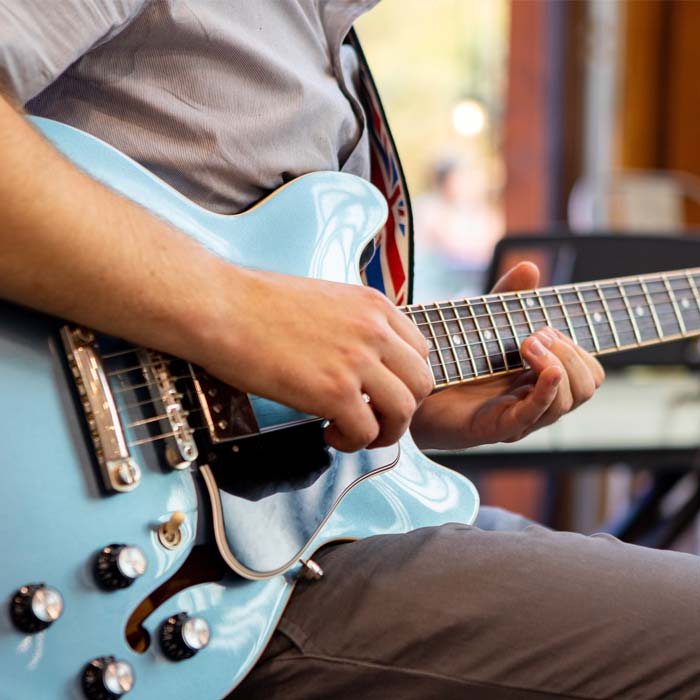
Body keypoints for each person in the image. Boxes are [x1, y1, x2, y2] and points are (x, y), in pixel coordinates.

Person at [0, 3, 698, 699]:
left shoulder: (330, 43)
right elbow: (246, 316)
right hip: (155, 569)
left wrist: (405, 395)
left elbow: (263, 345)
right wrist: (231, 309)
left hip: (278, 537)